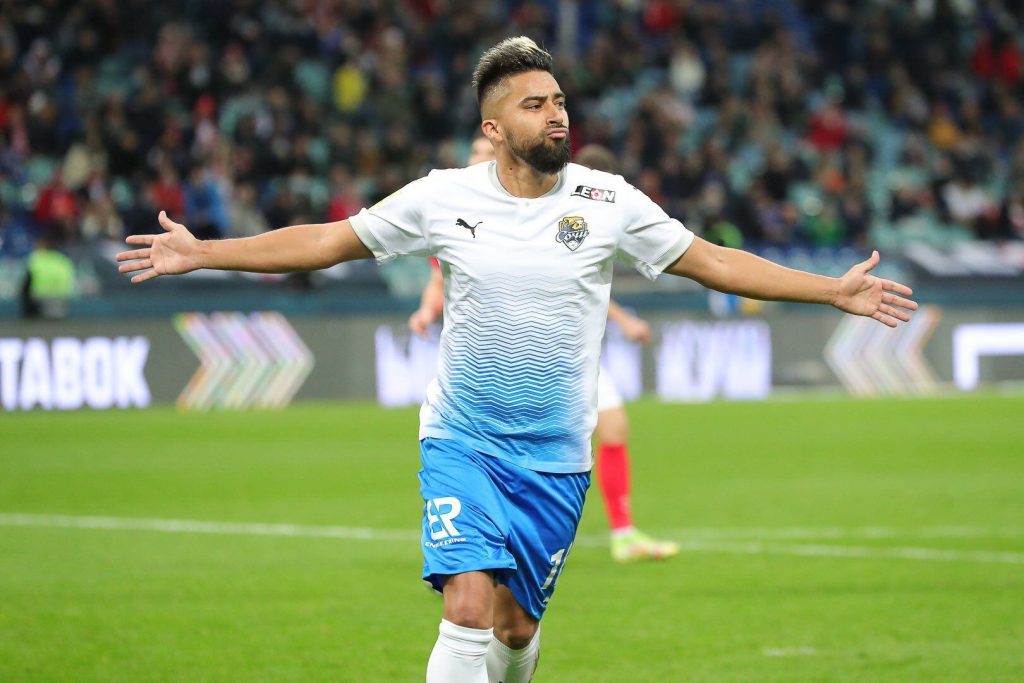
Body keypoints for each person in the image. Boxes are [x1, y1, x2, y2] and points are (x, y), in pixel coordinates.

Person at [117, 37, 918, 683]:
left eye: (559, 100)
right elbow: (327, 242)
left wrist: (828, 290)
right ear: (495, 129)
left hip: (555, 459)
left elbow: (711, 261)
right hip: (462, 440)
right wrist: (206, 252)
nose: (556, 114)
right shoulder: (442, 195)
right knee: (466, 604)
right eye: (535, 104)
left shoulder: (608, 201)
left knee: (515, 627)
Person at [411, 137, 680, 562]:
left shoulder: (539, 206)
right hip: (494, 359)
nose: (483, 160)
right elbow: (436, 278)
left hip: (560, 354)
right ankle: (479, 536)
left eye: (487, 152)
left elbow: (577, 275)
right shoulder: (457, 209)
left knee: (613, 429)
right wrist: (427, 311)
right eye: (477, 154)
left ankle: (621, 531)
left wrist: (624, 320)